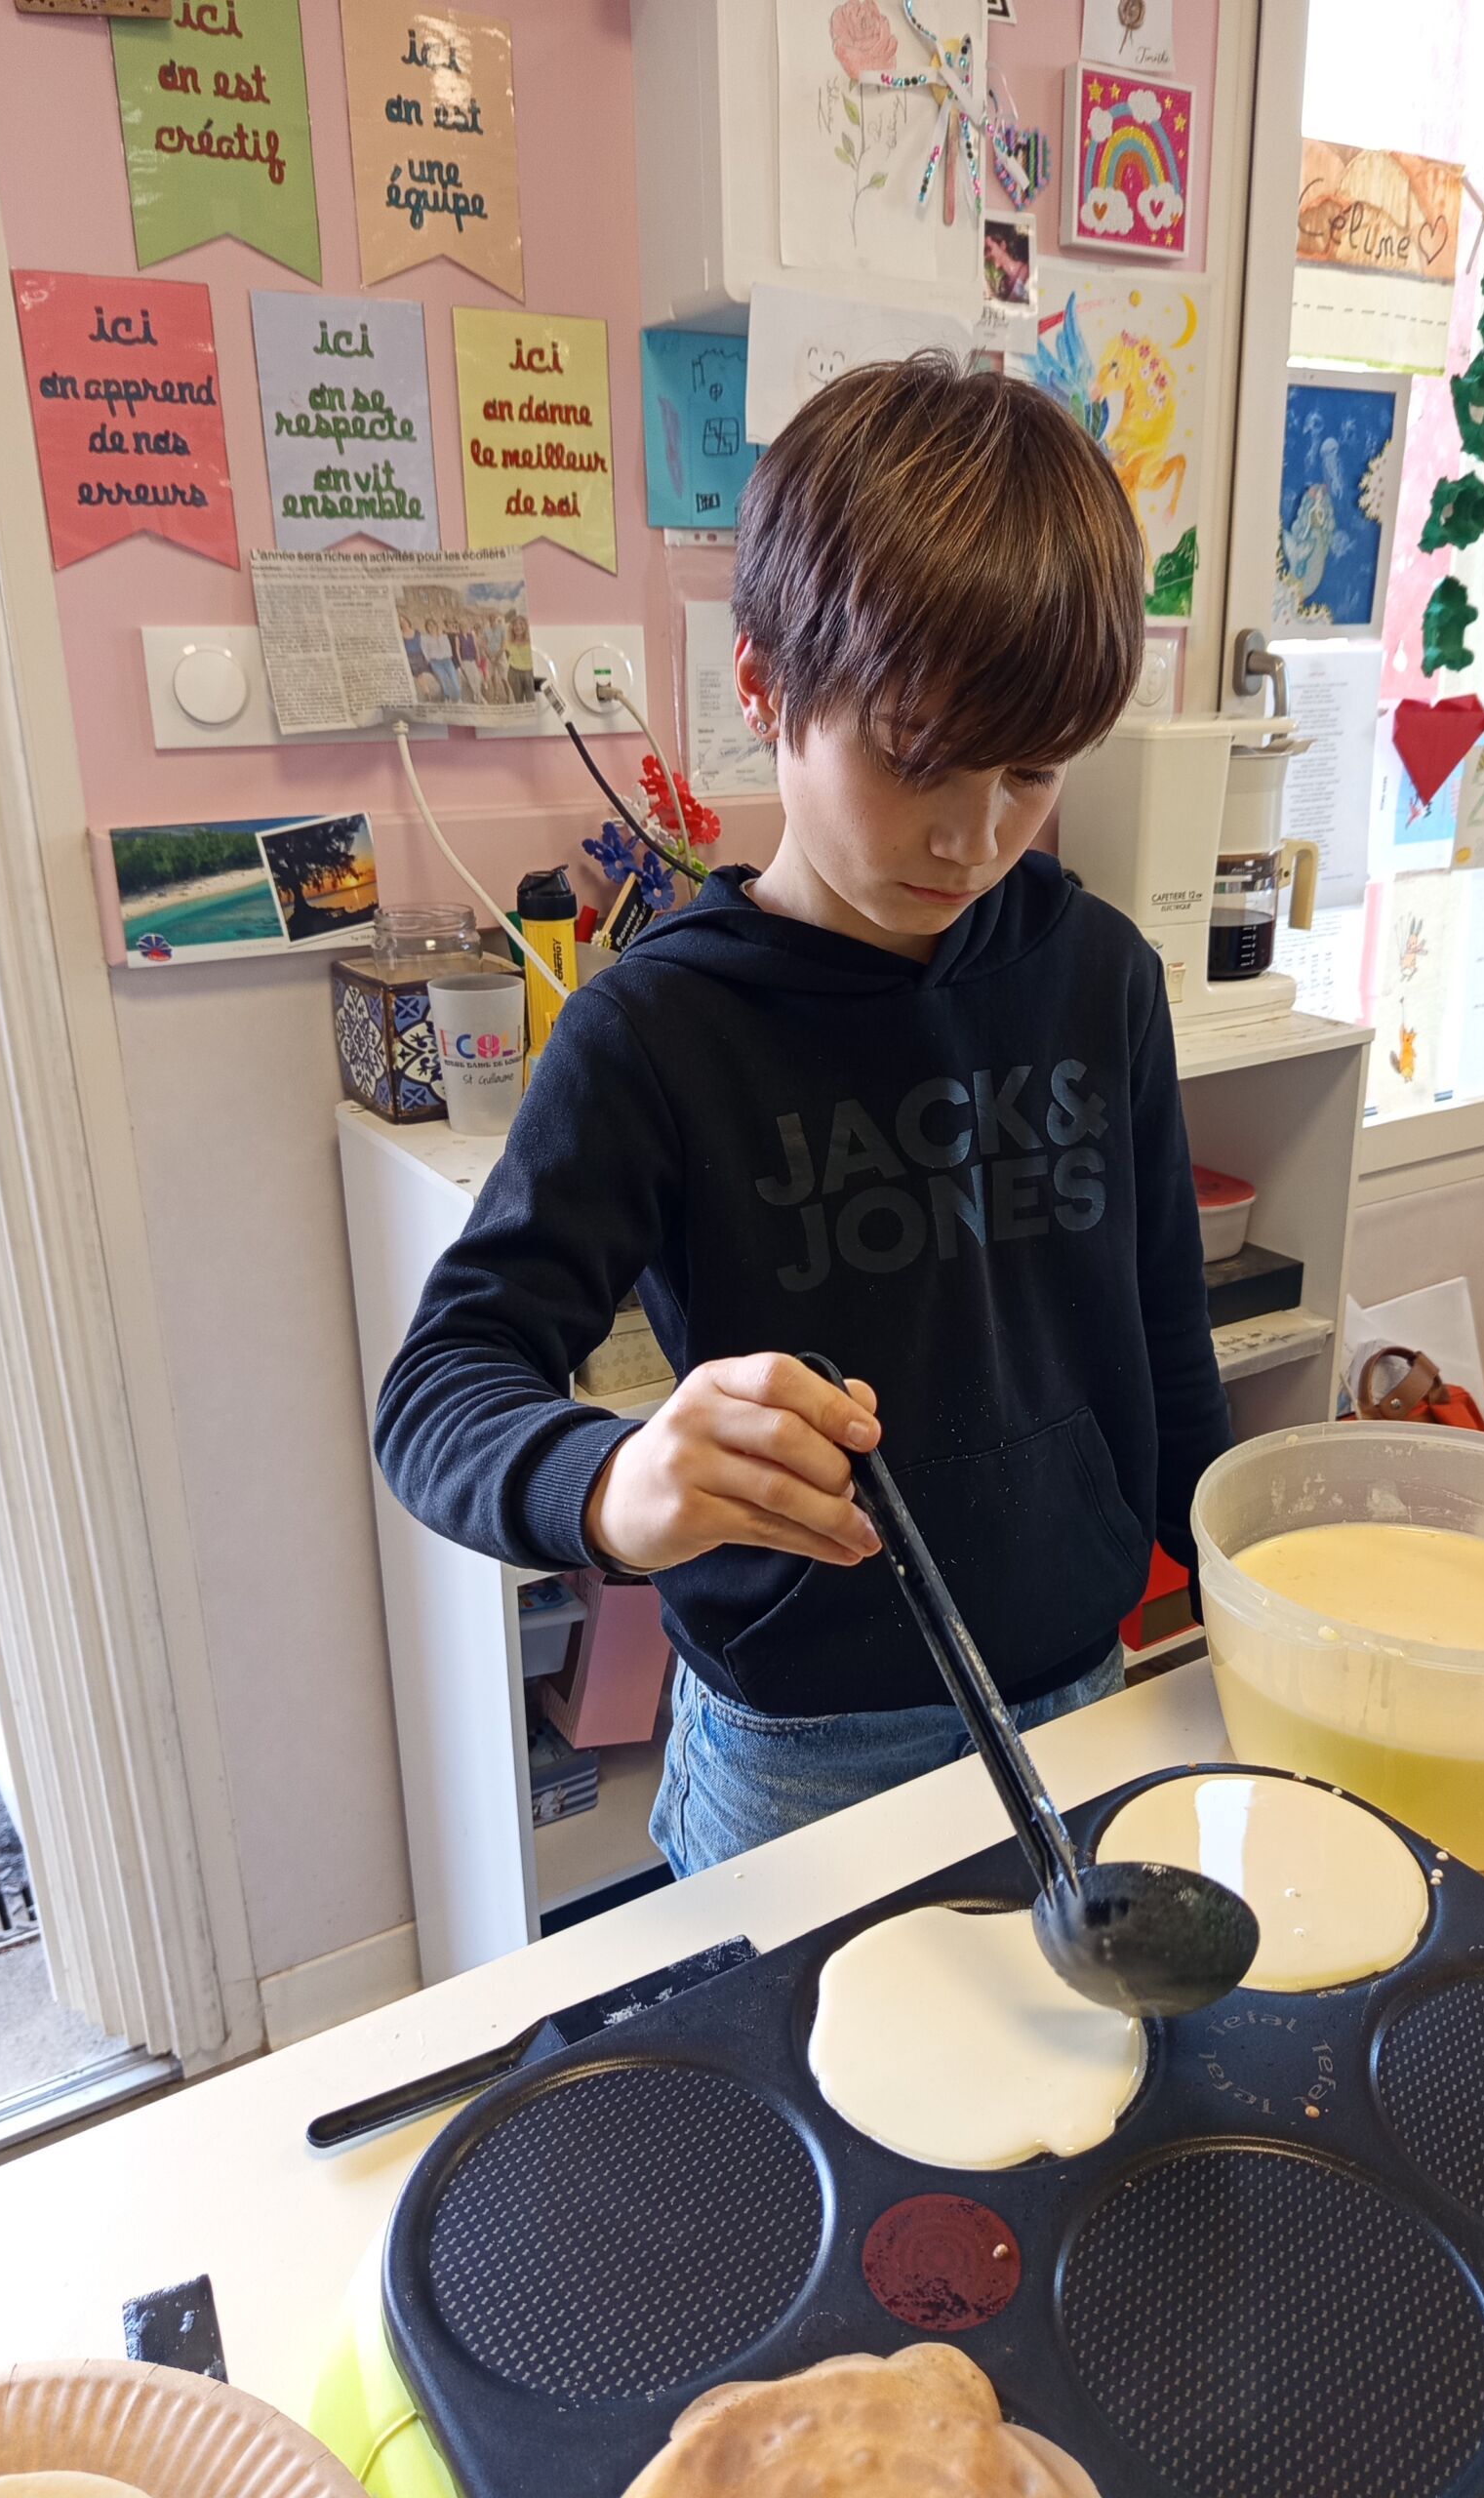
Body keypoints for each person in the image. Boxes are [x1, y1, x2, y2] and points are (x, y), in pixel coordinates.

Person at [375, 355, 1229, 1876]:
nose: (974, 834)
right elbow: (442, 1385)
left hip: (1082, 1694)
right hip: (798, 1756)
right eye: (917, 757)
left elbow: (1166, 1328)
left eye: (1032, 772)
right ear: (764, 685)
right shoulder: (657, 1031)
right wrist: (617, 1480)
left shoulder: (1100, 976)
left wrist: (1237, 1589)